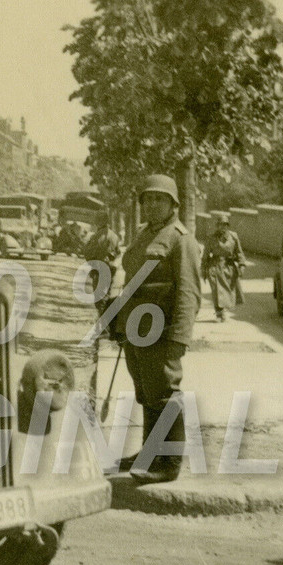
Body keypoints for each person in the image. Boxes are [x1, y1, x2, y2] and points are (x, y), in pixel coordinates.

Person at [115, 174, 202, 484]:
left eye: (159, 199)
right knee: (147, 392)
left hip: (162, 330)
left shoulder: (181, 239)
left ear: (173, 205)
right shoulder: (142, 235)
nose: (152, 204)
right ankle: (149, 454)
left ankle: (168, 463)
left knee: (165, 391)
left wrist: (180, 336)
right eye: (147, 199)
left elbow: (188, 293)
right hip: (136, 329)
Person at [201, 215, 247, 321]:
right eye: (221, 225)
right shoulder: (211, 238)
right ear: (217, 226)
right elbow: (205, 256)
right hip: (214, 267)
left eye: (225, 225)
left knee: (228, 291)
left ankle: (222, 311)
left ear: (228, 226)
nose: (223, 227)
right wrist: (204, 270)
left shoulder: (233, 236)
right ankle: (219, 313)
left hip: (229, 267)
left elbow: (239, 252)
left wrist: (242, 265)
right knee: (216, 291)